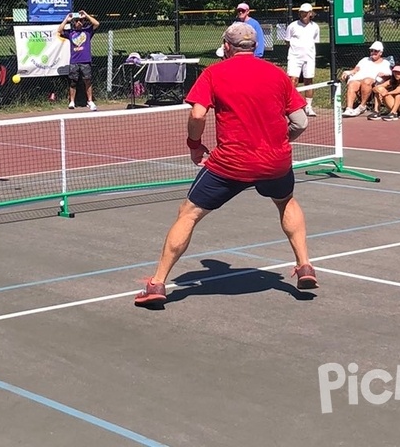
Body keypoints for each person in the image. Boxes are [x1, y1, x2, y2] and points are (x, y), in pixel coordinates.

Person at [134, 22, 314, 307]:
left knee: (188, 213)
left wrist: (194, 145)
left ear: (227, 46)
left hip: (232, 163)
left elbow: (197, 114)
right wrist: (282, 139)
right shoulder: (277, 75)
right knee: (285, 202)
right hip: (275, 161)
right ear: (254, 46)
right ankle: (304, 265)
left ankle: (157, 283)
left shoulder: (214, 73)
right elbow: (301, 121)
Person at [57, 9, 101, 110]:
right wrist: (66, 19)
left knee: (87, 81)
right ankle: (72, 101)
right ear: (73, 23)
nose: (79, 23)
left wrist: (86, 14)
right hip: (74, 61)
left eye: (80, 21)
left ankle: (90, 101)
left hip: (85, 60)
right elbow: (59, 31)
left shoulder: (88, 31)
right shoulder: (70, 33)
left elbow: (97, 23)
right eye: (77, 21)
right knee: (73, 81)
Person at [340, 41, 393, 116]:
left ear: (380, 53)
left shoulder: (385, 63)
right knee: (353, 83)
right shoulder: (365, 60)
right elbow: (356, 69)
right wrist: (348, 72)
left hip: (372, 81)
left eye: (376, 51)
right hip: (359, 79)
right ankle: (349, 108)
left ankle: (362, 106)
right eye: (371, 51)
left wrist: (383, 75)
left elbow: (389, 75)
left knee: (366, 81)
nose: (373, 52)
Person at [286, 3, 320, 116]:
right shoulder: (292, 26)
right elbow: (287, 41)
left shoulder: (315, 27)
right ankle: (291, 105)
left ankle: (308, 106)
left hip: (309, 58)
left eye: (306, 13)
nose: (303, 15)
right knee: (293, 80)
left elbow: (314, 41)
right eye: (301, 13)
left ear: (310, 13)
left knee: (308, 81)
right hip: (294, 57)